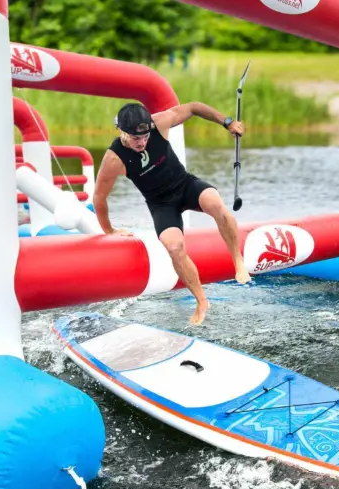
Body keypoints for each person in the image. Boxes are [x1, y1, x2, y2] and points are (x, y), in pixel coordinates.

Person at [92, 102, 249, 326]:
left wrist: (227, 122)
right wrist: (109, 230)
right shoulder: (114, 159)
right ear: (122, 131)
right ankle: (201, 301)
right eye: (136, 139)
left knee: (216, 205)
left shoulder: (160, 123)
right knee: (174, 247)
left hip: (185, 185)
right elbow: (99, 197)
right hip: (161, 204)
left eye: (146, 136)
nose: (143, 142)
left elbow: (194, 107)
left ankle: (237, 260)